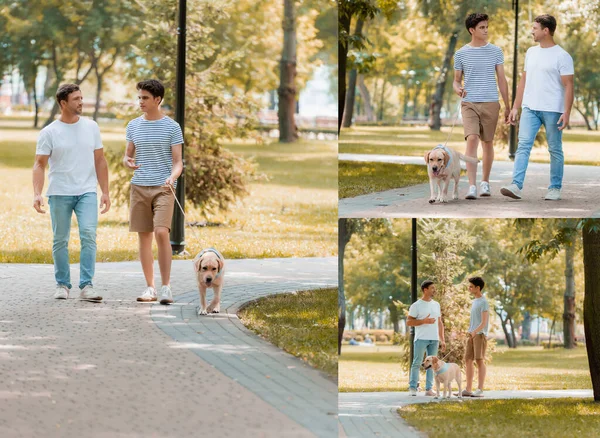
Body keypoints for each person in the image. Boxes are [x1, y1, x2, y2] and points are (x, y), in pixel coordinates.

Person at [33, 84, 110, 301]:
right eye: (76, 99)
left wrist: (105, 191)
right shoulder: (49, 132)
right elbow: (39, 164)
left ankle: (87, 285)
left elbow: (100, 160)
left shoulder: (91, 127)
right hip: (59, 192)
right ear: (63, 103)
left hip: (86, 191)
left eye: (81, 98)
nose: (81, 102)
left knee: (88, 235)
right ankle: (62, 284)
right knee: (60, 239)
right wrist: (37, 193)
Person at [123, 79, 183, 304]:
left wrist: (172, 176)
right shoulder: (133, 125)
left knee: (161, 232)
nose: (141, 101)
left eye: (145, 98)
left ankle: (166, 287)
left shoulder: (172, 127)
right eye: (139, 97)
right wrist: (128, 162)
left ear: (158, 100)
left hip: (164, 187)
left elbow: (178, 162)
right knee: (144, 237)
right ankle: (150, 288)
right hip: (139, 187)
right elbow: (128, 155)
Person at [501, 14, 574, 201]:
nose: (532, 31)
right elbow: (523, 81)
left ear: (546, 30)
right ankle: (516, 185)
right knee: (523, 146)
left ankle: (555, 188)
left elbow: (568, 86)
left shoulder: (562, 56)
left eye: (535, 28)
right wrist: (516, 107)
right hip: (530, 108)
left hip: (553, 110)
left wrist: (567, 112)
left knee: (555, 149)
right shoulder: (531, 53)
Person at [453, 12, 510, 199]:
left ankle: (484, 182)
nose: (486, 30)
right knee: (472, 139)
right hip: (469, 103)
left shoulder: (496, 51)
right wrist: (458, 89)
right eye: (482, 28)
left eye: (487, 27)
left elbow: (501, 80)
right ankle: (471, 186)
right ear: (472, 30)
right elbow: (456, 81)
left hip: (491, 102)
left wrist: (507, 106)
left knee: (487, 142)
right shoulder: (460, 53)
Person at [406, 280, 446, 396]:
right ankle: (413, 387)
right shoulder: (416, 305)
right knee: (417, 363)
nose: (434, 290)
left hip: (434, 339)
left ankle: (429, 389)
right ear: (425, 290)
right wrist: (424, 321)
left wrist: (442, 339)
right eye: (432, 288)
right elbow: (409, 322)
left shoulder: (436, 304)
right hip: (421, 338)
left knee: (433, 364)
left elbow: (440, 323)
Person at [462, 276, 489, 397]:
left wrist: (475, 331)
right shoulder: (474, 301)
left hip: (480, 335)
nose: (469, 288)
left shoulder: (484, 302)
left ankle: (480, 389)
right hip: (472, 334)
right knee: (468, 360)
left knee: (479, 360)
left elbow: (484, 322)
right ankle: (468, 389)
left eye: (471, 286)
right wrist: (470, 331)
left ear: (478, 288)